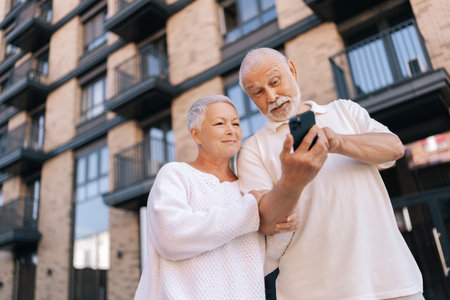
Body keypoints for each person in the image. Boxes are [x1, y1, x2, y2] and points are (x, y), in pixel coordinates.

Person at [236, 48, 423, 300]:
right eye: (258, 92)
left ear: (292, 70)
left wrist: (338, 142)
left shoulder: (344, 110)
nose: (271, 96)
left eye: (274, 81)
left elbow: (394, 148)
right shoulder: (251, 149)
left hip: (390, 279)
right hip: (313, 291)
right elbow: (265, 223)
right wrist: (292, 180)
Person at [134, 95, 298, 300]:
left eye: (236, 123)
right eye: (220, 123)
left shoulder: (248, 189)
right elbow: (171, 237)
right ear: (196, 134)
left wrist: (283, 225)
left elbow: (268, 260)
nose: (231, 130)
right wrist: (249, 209)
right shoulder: (176, 175)